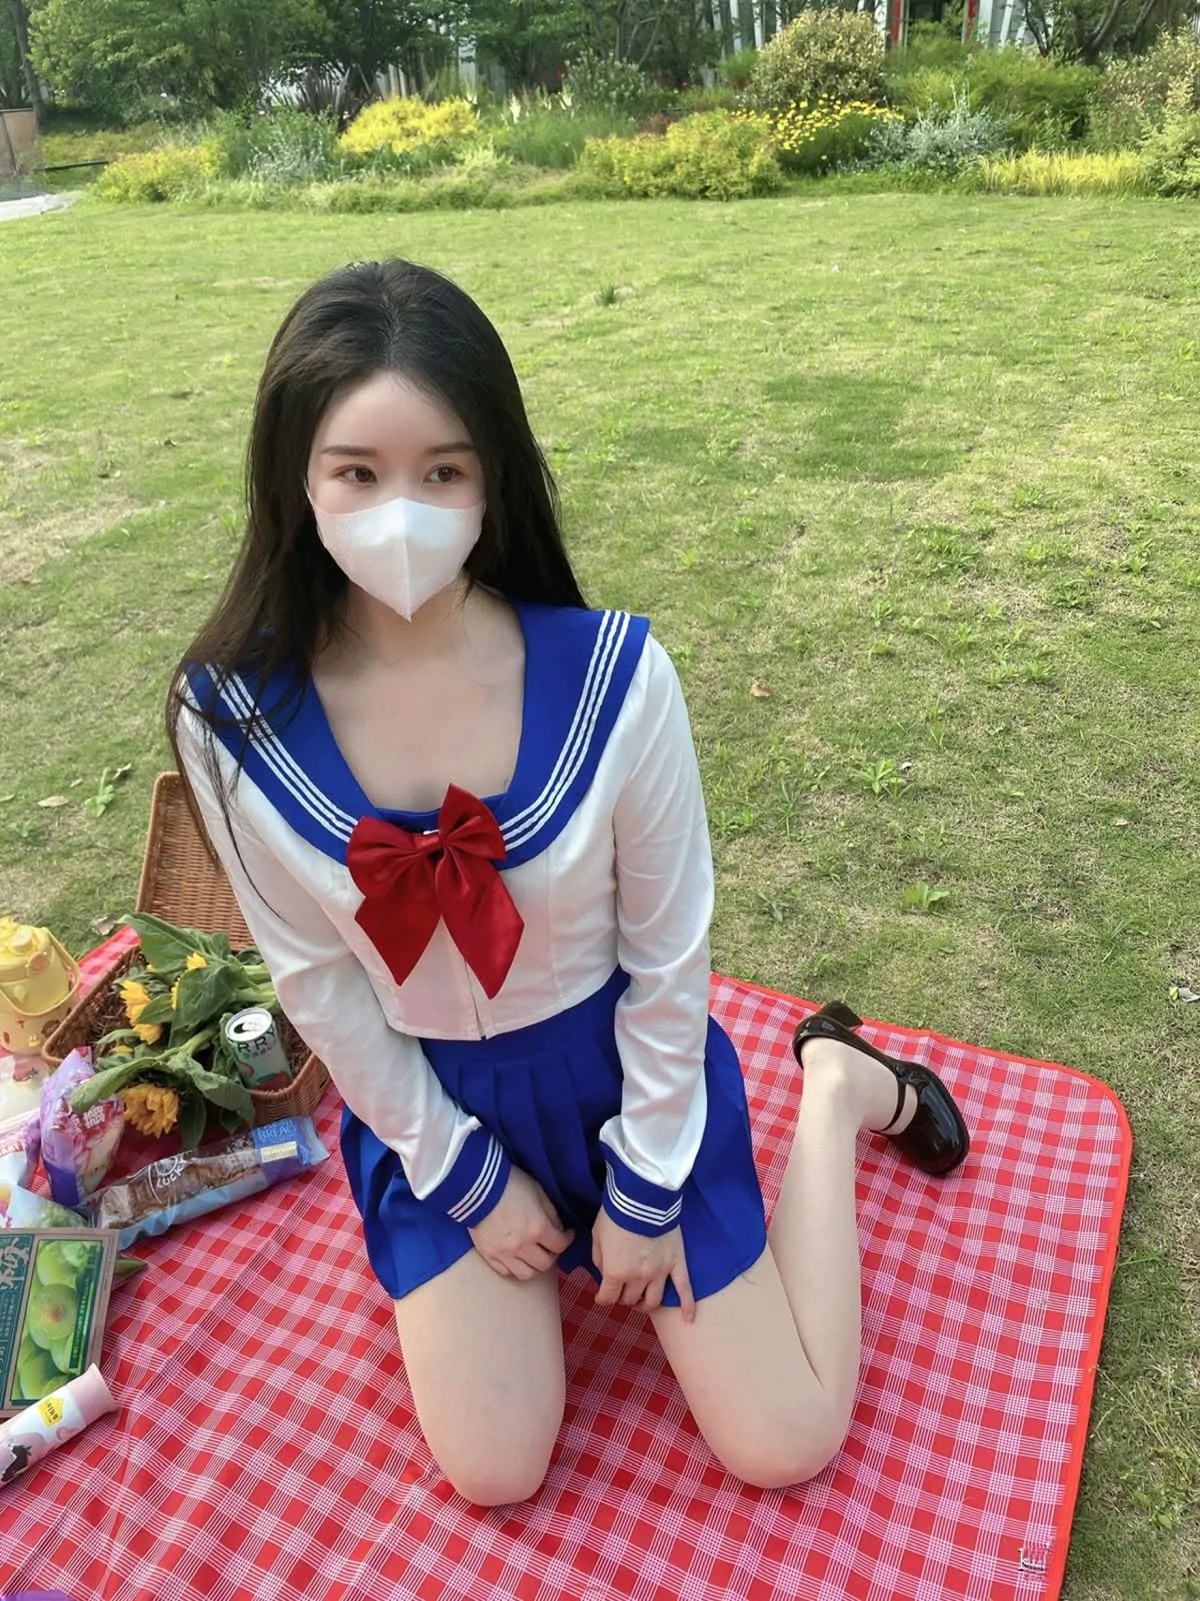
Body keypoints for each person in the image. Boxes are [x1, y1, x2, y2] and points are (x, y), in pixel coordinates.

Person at [168, 257, 970, 1508]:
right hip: (434, 1100)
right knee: (495, 1469)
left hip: (622, 1073)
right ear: (293, 477)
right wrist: (463, 1175)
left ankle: (833, 1085)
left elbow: (669, 951)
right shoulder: (231, 721)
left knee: (786, 1437)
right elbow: (318, 981)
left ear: (494, 474)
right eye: (357, 472)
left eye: (443, 470)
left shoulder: (617, 678)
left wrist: (646, 1180)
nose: (401, 511)